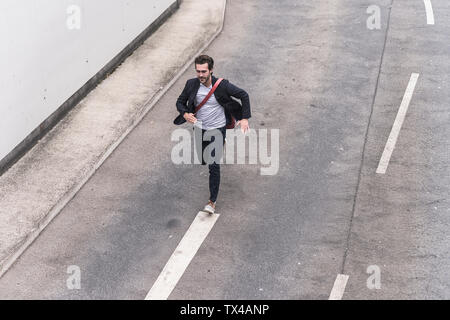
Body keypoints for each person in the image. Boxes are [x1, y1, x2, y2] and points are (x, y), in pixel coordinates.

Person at [174, 54, 251, 214]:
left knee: (213, 165)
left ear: (211, 70)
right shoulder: (191, 84)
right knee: (203, 159)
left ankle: (212, 201)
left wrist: (244, 118)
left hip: (217, 128)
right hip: (200, 127)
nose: (200, 75)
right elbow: (180, 102)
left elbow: (243, 95)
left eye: (203, 71)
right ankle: (219, 145)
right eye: (198, 71)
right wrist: (185, 114)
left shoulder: (222, 86)